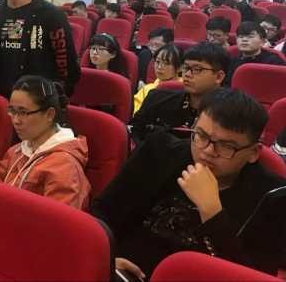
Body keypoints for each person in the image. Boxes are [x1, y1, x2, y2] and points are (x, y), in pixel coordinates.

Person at [93, 89, 286, 279]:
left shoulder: (272, 196)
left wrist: (212, 212)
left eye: (226, 146)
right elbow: (104, 213)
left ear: (253, 152)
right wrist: (107, 259)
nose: (208, 151)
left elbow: (251, 275)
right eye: (201, 135)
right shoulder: (160, 151)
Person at [0, 76, 90, 209]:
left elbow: (55, 219)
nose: (15, 120)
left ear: (49, 114)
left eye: (23, 112)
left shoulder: (65, 167)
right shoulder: (19, 149)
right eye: (12, 111)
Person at [130, 42, 228, 145]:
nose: (187, 74)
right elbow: (135, 132)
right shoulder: (156, 99)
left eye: (197, 69)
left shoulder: (229, 114)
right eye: (186, 68)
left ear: (219, 77)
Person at [224, 21, 284, 86]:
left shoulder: (274, 61)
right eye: (241, 37)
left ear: (262, 41)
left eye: (250, 37)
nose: (244, 40)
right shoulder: (232, 61)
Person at [133, 45, 181, 114]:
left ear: (179, 68)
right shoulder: (147, 89)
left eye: (166, 63)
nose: (159, 67)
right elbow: (134, 113)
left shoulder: (185, 90)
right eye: (158, 62)